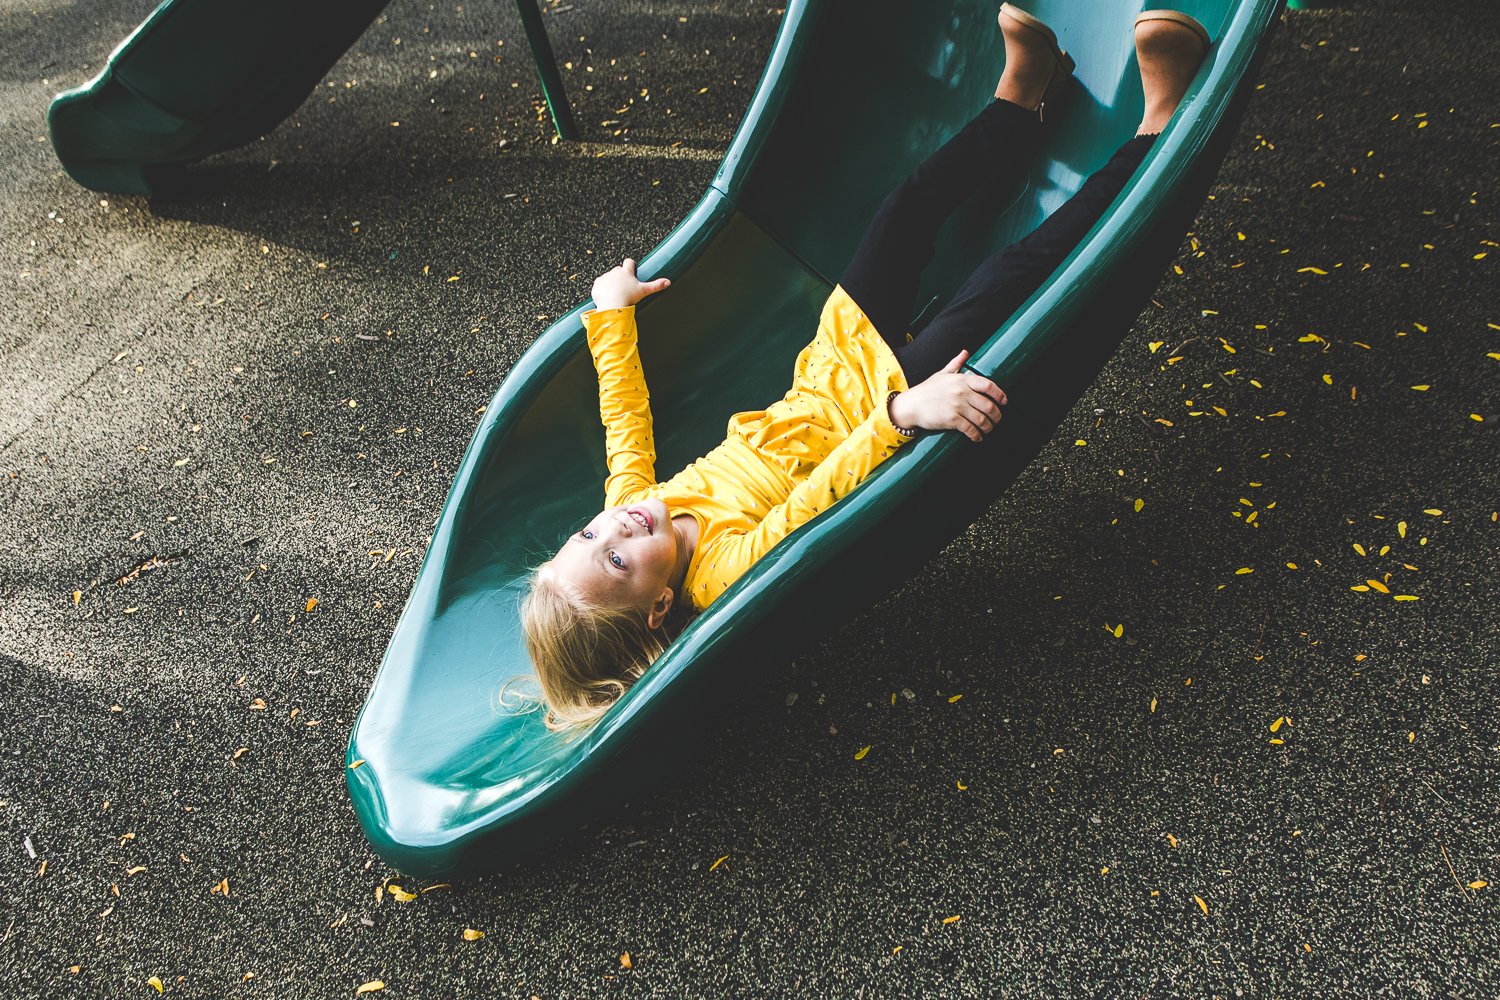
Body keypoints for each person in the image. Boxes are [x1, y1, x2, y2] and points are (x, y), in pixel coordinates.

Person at [516, 5, 1212, 734]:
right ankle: (1156, 130)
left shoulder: (637, 500)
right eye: (620, 562)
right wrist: (903, 414)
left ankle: (1022, 98)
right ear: (661, 606)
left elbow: (623, 419)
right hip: (891, 400)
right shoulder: (722, 568)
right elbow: (814, 500)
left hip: (833, 362)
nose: (615, 531)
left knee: (903, 209)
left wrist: (611, 314)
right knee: (1018, 269)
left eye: (590, 537)